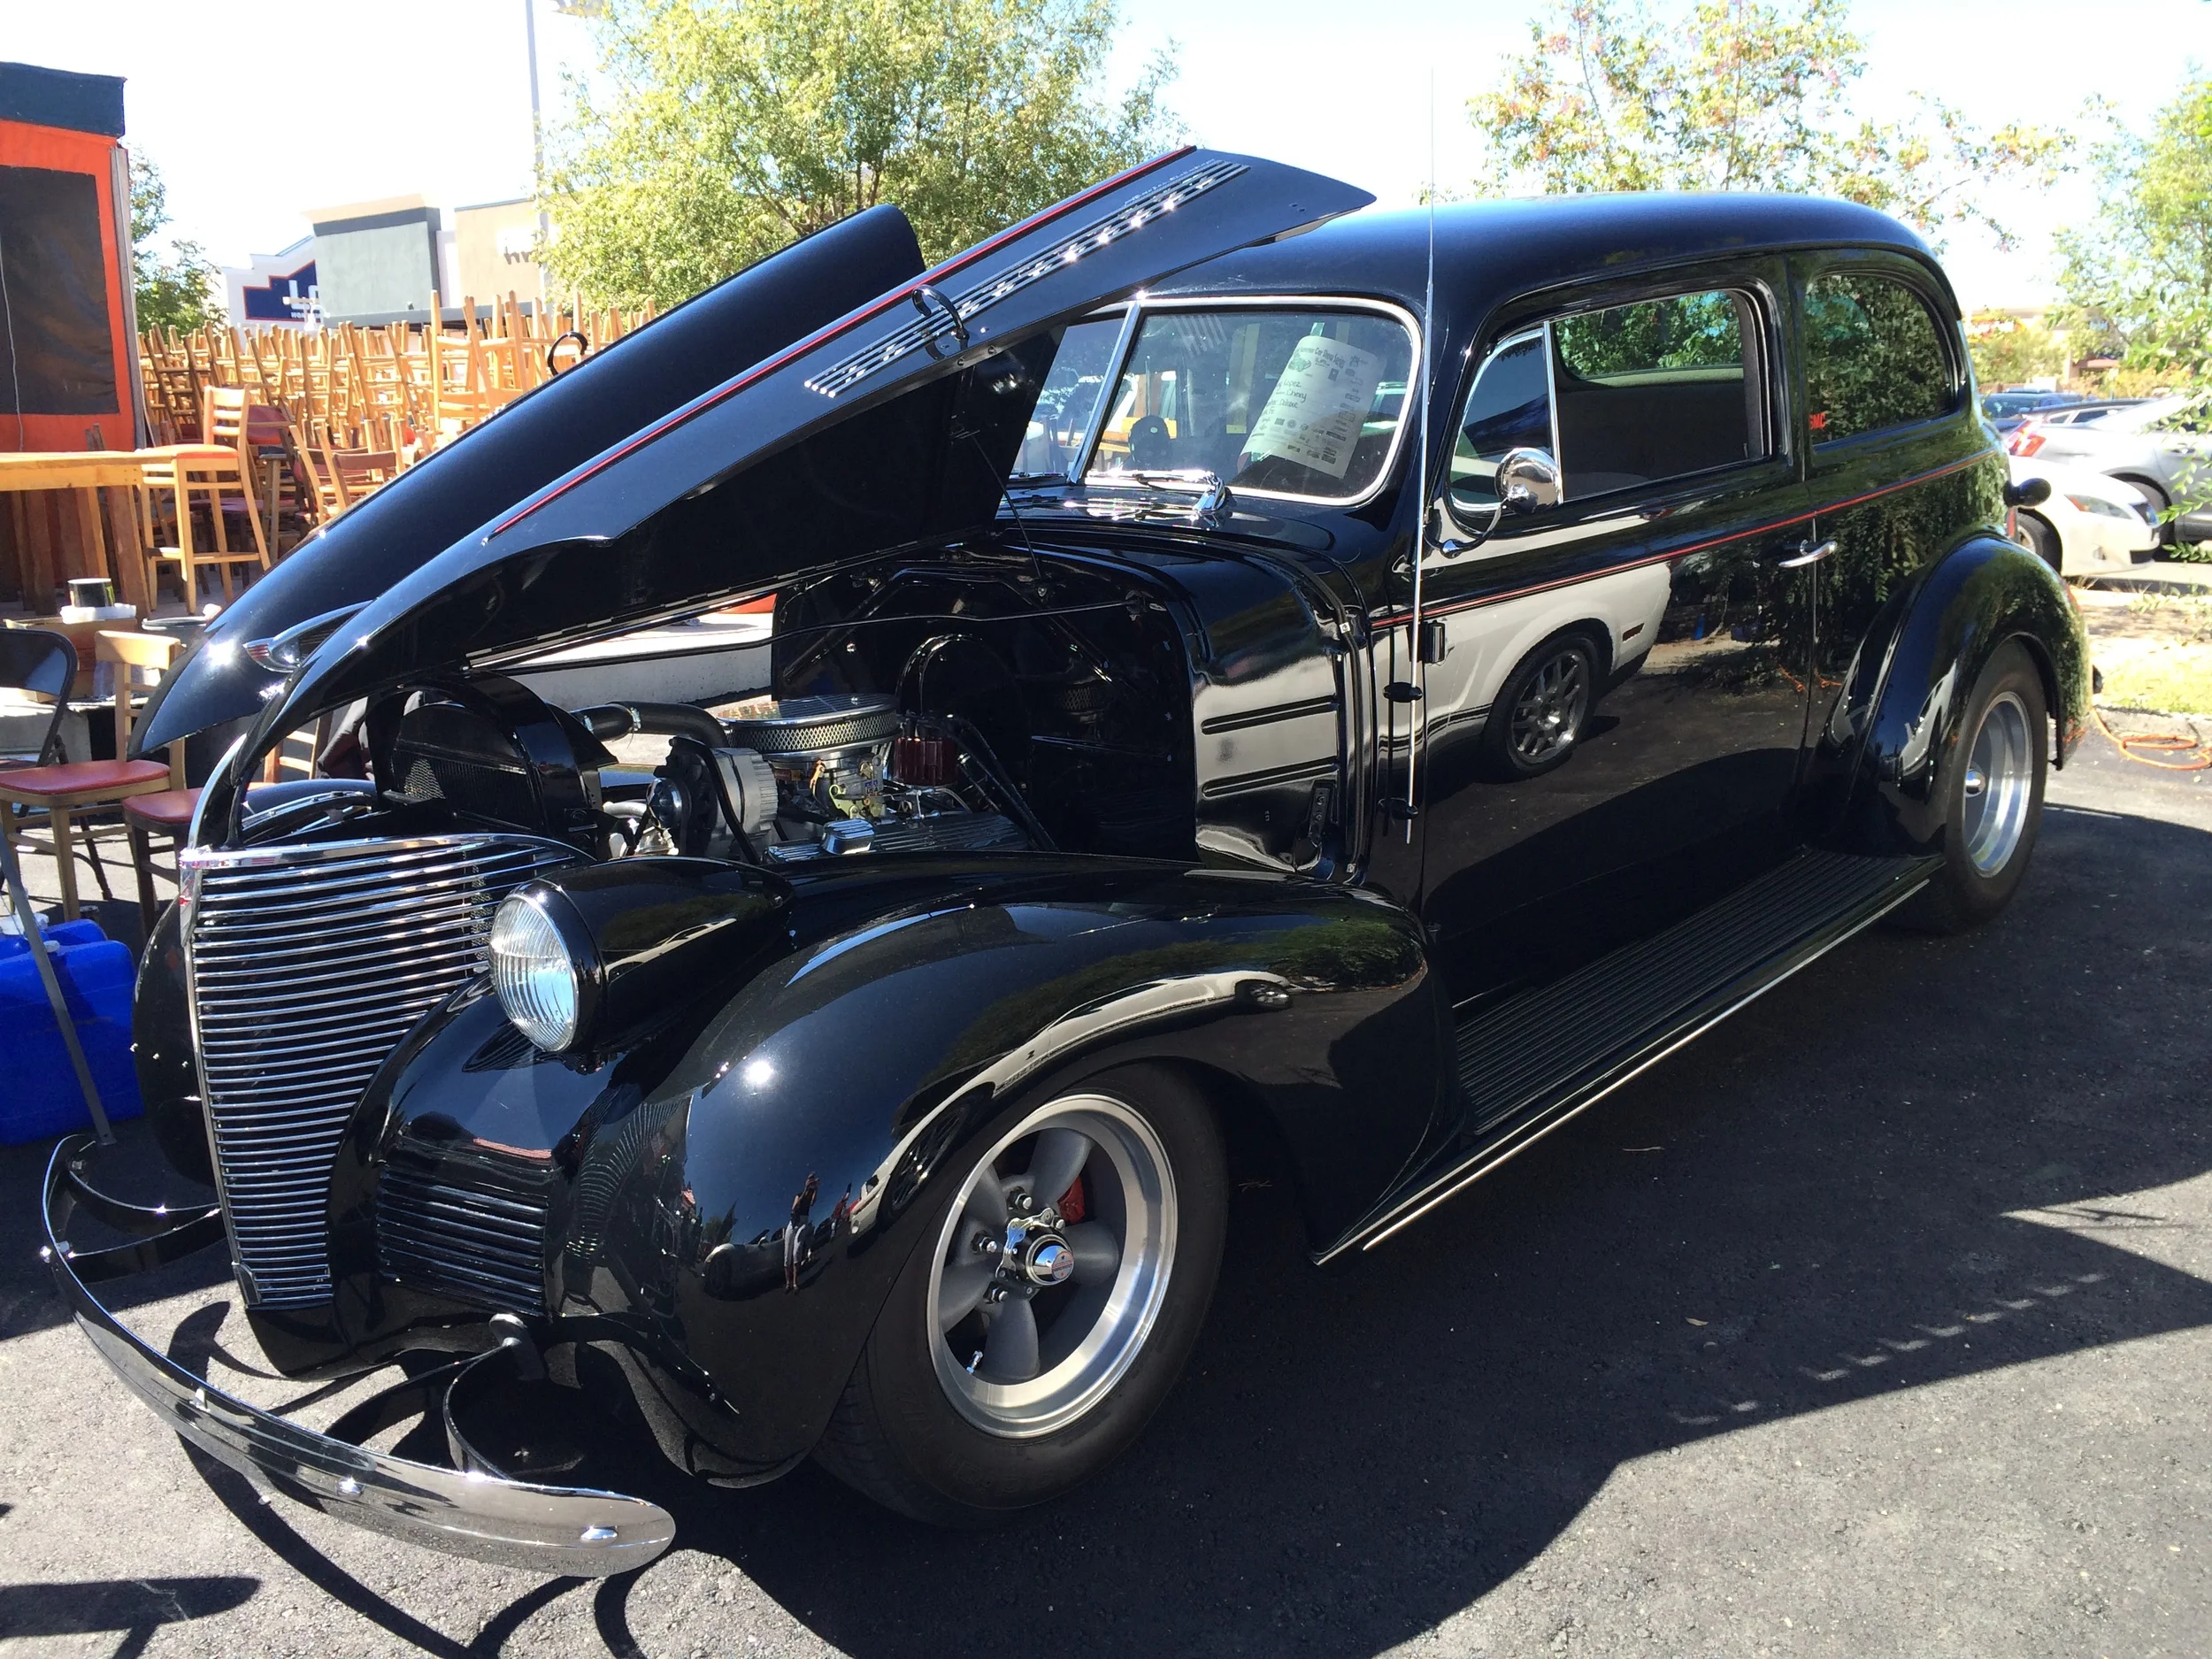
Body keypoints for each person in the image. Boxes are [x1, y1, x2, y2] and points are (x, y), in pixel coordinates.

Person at [784, 1172, 819, 1293]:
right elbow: (794, 1207)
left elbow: (813, 1202)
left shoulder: (811, 1195)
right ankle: (788, 1283)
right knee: (787, 1254)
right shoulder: (800, 1194)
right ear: (806, 1181)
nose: (811, 1182)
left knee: (797, 1250)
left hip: (803, 1221)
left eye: (812, 1180)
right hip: (793, 1222)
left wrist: (816, 1188)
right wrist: (805, 1190)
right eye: (809, 1180)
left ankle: (795, 1282)